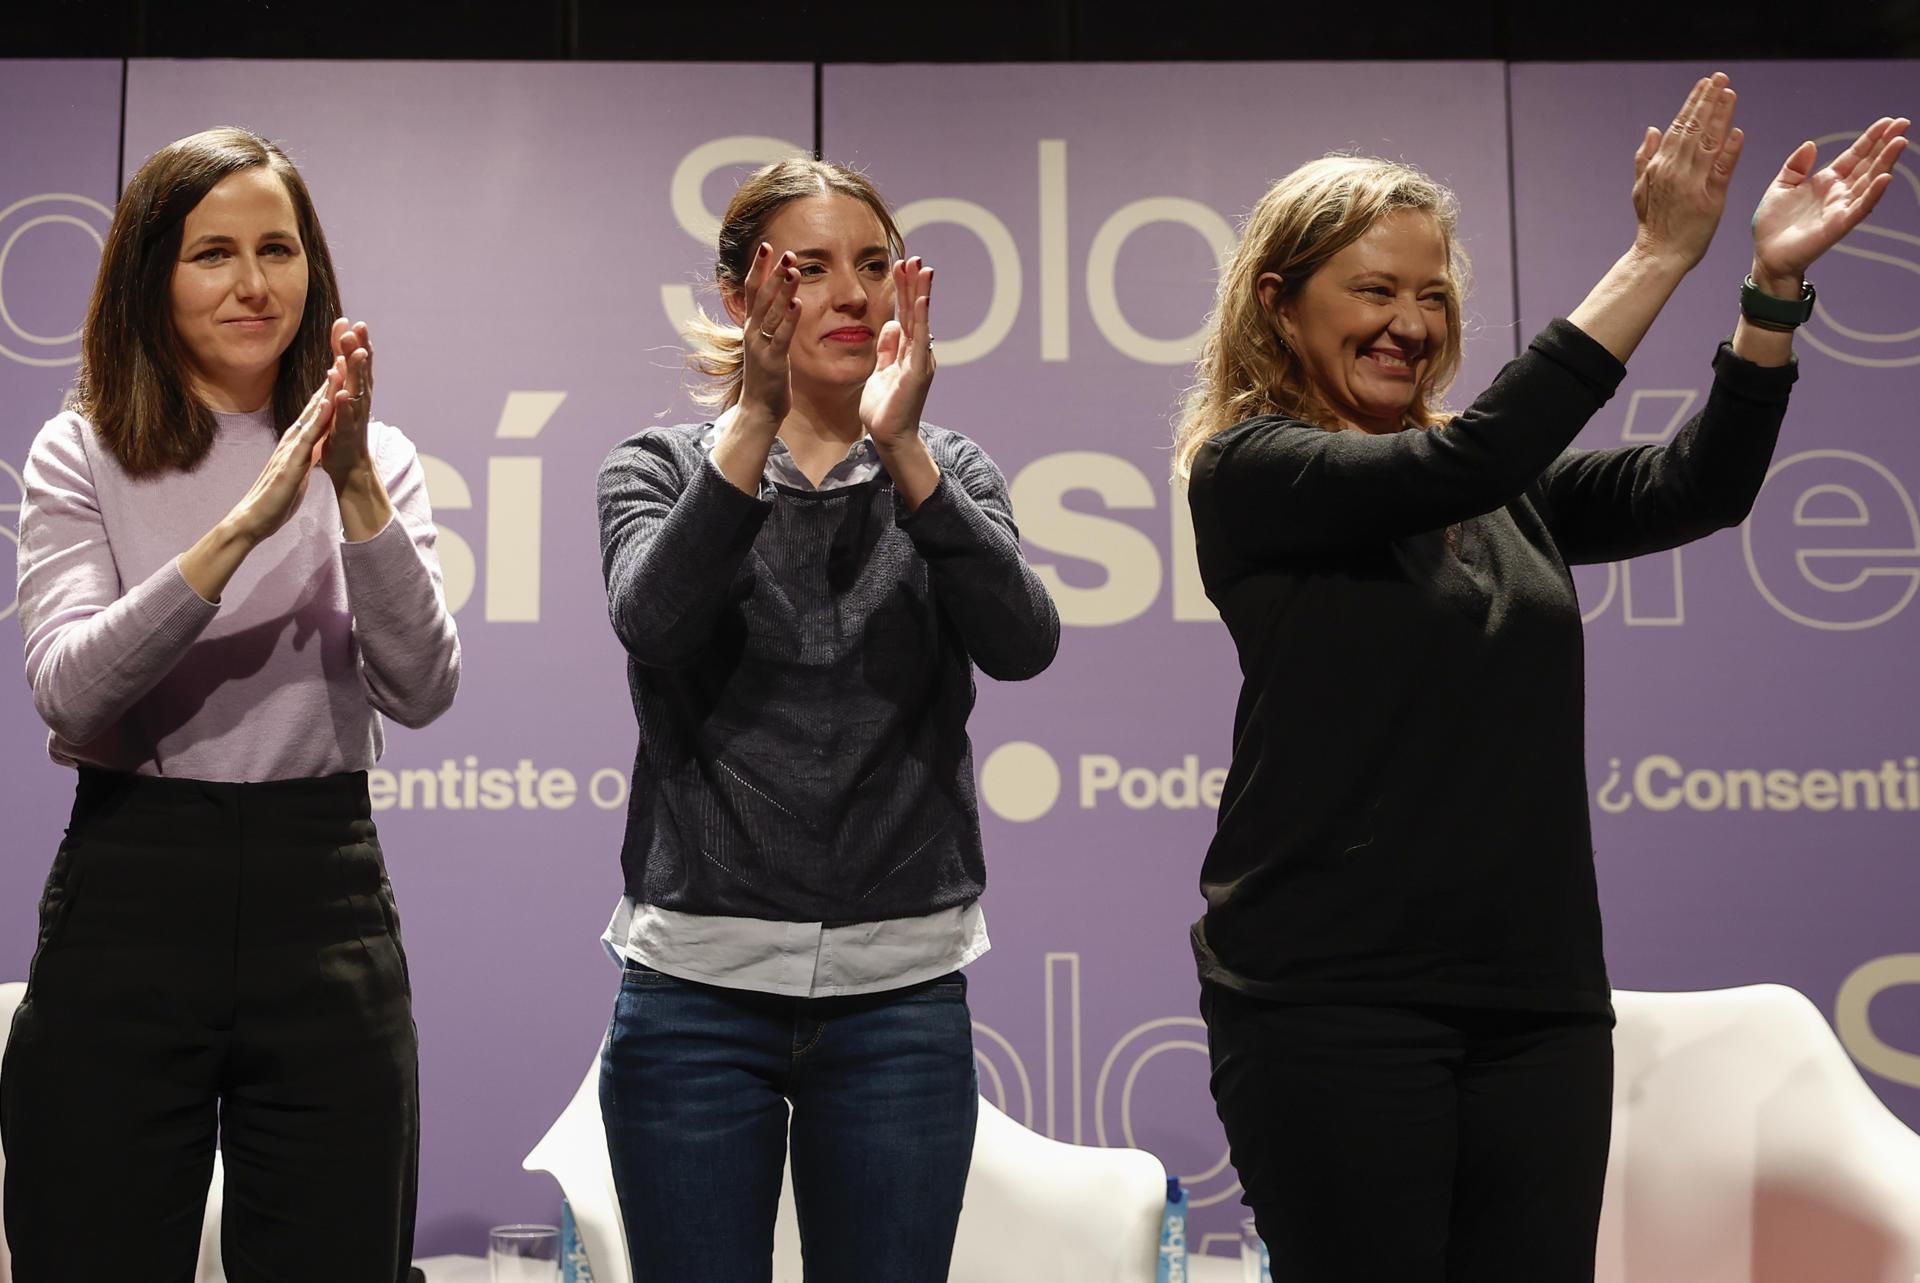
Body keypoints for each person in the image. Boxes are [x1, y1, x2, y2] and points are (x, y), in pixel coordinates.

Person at [1173, 75, 1907, 1281]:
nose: (1411, 321)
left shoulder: (1495, 490)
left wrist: (1769, 293)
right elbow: (1477, 452)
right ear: (1278, 302)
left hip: (1537, 1003)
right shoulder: (1253, 471)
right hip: (1330, 1005)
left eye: (1431, 292)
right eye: (1374, 289)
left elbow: (1698, 488)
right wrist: (1658, 255)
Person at [0, 126, 459, 1282]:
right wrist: (244, 522)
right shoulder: (83, 449)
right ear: (152, 273)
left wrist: (347, 482)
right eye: (214, 252)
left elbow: (422, 687)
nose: (255, 284)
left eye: (278, 248)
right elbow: (70, 691)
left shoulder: (380, 455)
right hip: (131, 889)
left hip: (324, 891)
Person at [594, 157, 1060, 1281]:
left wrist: (902, 451)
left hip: (900, 1001)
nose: (854, 295)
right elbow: (653, 623)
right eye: (810, 270)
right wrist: (751, 422)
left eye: (873, 267)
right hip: (695, 996)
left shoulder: (945, 469)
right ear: (741, 295)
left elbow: (1024, 641)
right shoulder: (653, 466)